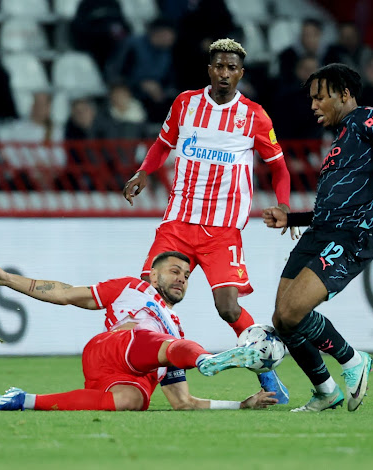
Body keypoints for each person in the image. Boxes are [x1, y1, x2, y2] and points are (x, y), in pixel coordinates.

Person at [121, 39, 292, 404]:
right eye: (219, 67)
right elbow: (162, 144)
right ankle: (135, 373)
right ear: (210, 69)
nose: (225, 73)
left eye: (232, 68)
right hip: (179, 221)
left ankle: (268, 376)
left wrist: (283, 205)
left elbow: (279, 168)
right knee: (149, 299)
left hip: (222, 229)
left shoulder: (255, 116)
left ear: (241, 73)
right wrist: (143, 171)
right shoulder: (185, 104)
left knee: (227, 307)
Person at [262, 63, 373, 412]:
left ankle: (352, 360)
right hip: (319, 231)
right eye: (311, 99)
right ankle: (325, 390)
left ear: (345, 95)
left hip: (350, 236)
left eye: (320, 97)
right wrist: (290, 217)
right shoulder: (342, 138)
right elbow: (338, 202)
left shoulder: (367, 118)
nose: (313, 105)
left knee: (293, 311)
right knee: (282, 317)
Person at [0, 251, 277, 412]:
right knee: (166, 343)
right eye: (175, 271)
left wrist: (240, 405)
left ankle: (24, 400)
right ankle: (206, 359)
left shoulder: (175, 327)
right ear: (153, 274)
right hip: (113, 347)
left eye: (186, 276)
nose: (182, 279)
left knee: (133, 402)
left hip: (126, 377)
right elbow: (65, 293)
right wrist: (7, 279)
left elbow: (183, 402)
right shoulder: (132, 287)